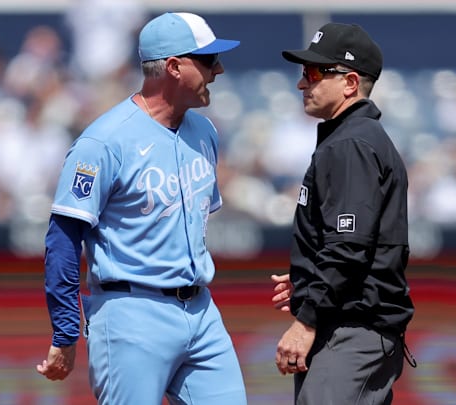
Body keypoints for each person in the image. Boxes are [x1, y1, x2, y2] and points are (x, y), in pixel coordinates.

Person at [35, 12, 247, 404]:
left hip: (202, 310)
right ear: (173, 67)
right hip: (131, 311)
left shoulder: (205, 132)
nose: (218, 69)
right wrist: (65, 332)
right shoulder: (103, 142)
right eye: (207, 60)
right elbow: (63, 241)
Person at [272, 22, 415, 404]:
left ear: (350, 82)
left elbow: (349, 247)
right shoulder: (352, 140)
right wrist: (307, 279)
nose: (303, 83)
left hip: (351, 331)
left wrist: (306, 320)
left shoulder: (350, 145)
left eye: (315, 73)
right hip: (356, 326)